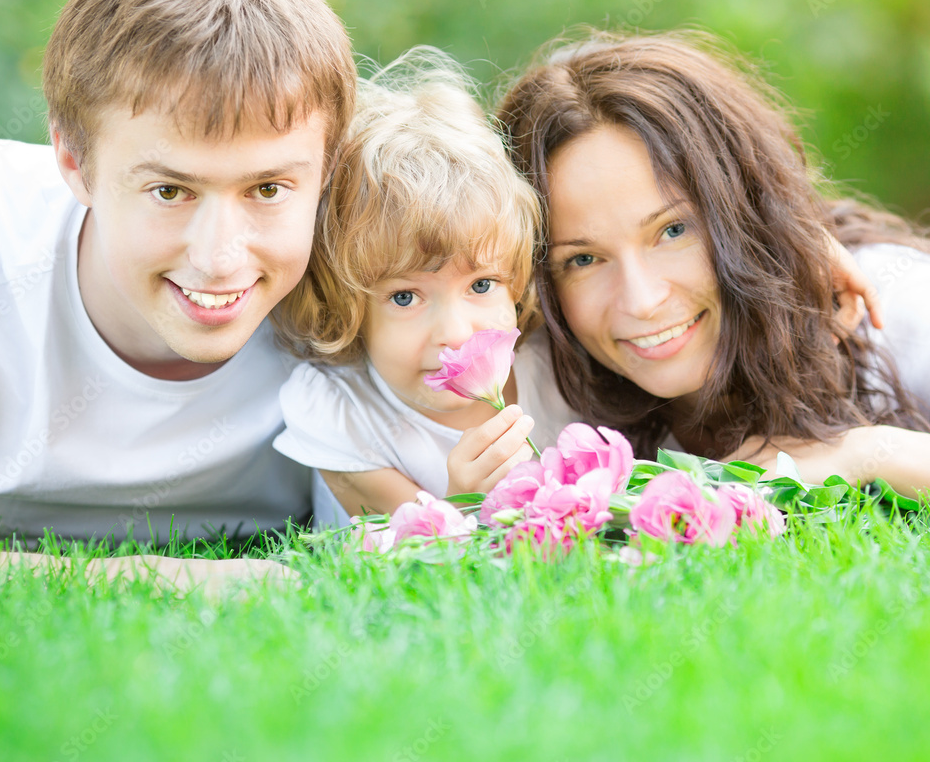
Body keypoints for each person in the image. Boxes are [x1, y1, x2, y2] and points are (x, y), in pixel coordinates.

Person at [0, 0, 355, 583]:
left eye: (267, 189)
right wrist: (166, 579)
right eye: (169, 191)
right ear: (74, 163)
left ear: (328, 168)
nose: (218, 258)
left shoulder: (374, 284)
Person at [497, 30, 930, 497]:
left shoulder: (895, 304)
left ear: (746, 213)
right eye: (583, 259)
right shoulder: (542, 388)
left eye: (673, 231)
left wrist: (862, 452)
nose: (642, 302)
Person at [271, 50, 578, 519]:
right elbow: (416, 558)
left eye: (481, 286)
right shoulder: (342, 412)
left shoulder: (556, 379)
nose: (455, 333)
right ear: (348, 307)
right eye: (405, 297)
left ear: (517, 283)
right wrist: (464, 501)